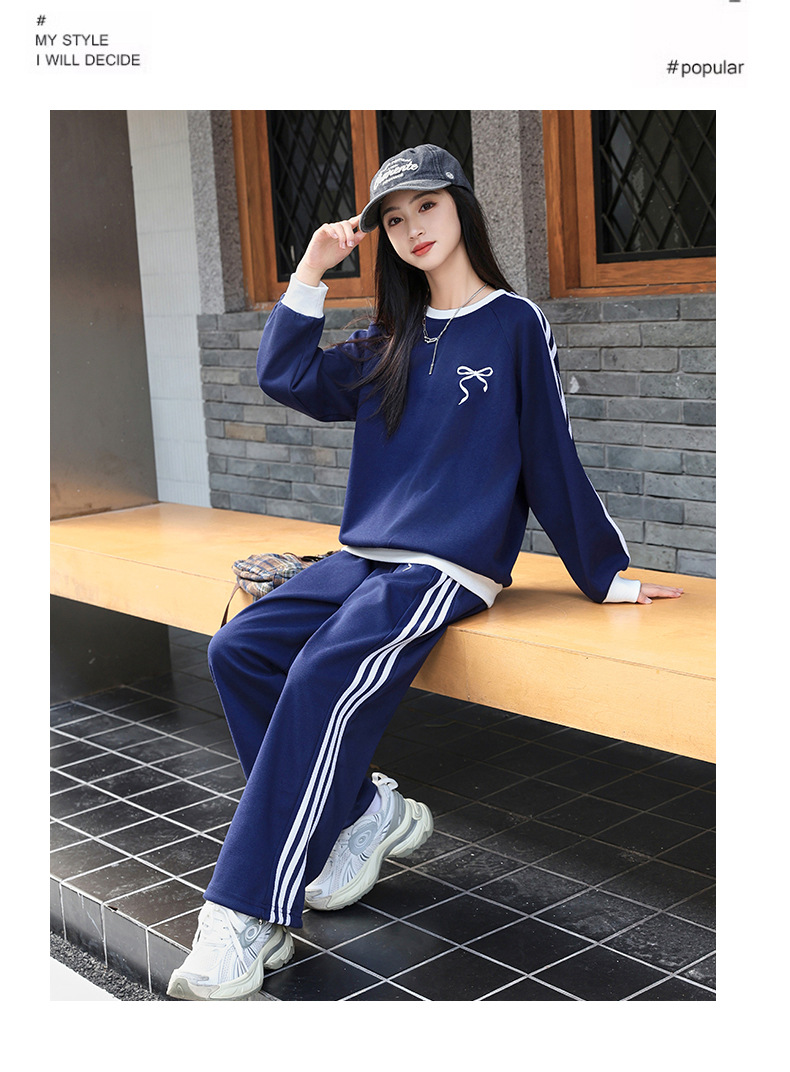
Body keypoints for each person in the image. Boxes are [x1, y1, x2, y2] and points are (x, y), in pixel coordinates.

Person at [167, 144, 683, 1001]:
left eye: (427, 208)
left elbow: (551, 455)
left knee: (324, 673)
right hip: (363, 556)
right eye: (395, 220)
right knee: (240, 649)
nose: (412, 229)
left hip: (447, 565)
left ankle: (246, 913)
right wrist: (310, 270)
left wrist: (605, 575)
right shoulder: (389, 336)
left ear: (462, 208)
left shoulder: (514, 323)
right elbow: (287, 376)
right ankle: (362, 813)